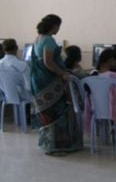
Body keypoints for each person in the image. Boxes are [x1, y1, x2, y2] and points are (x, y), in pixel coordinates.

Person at [30, 14, 82, 155]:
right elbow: (48, 62)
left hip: (38, 81)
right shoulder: (49, 40)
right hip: (49, 81)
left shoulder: (37, 39)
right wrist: (63, 73)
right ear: (54, 26)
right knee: (57, 112)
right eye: (58, 26)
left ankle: (48, 144)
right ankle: (57, 146)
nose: (59, 29)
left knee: (46, 113)